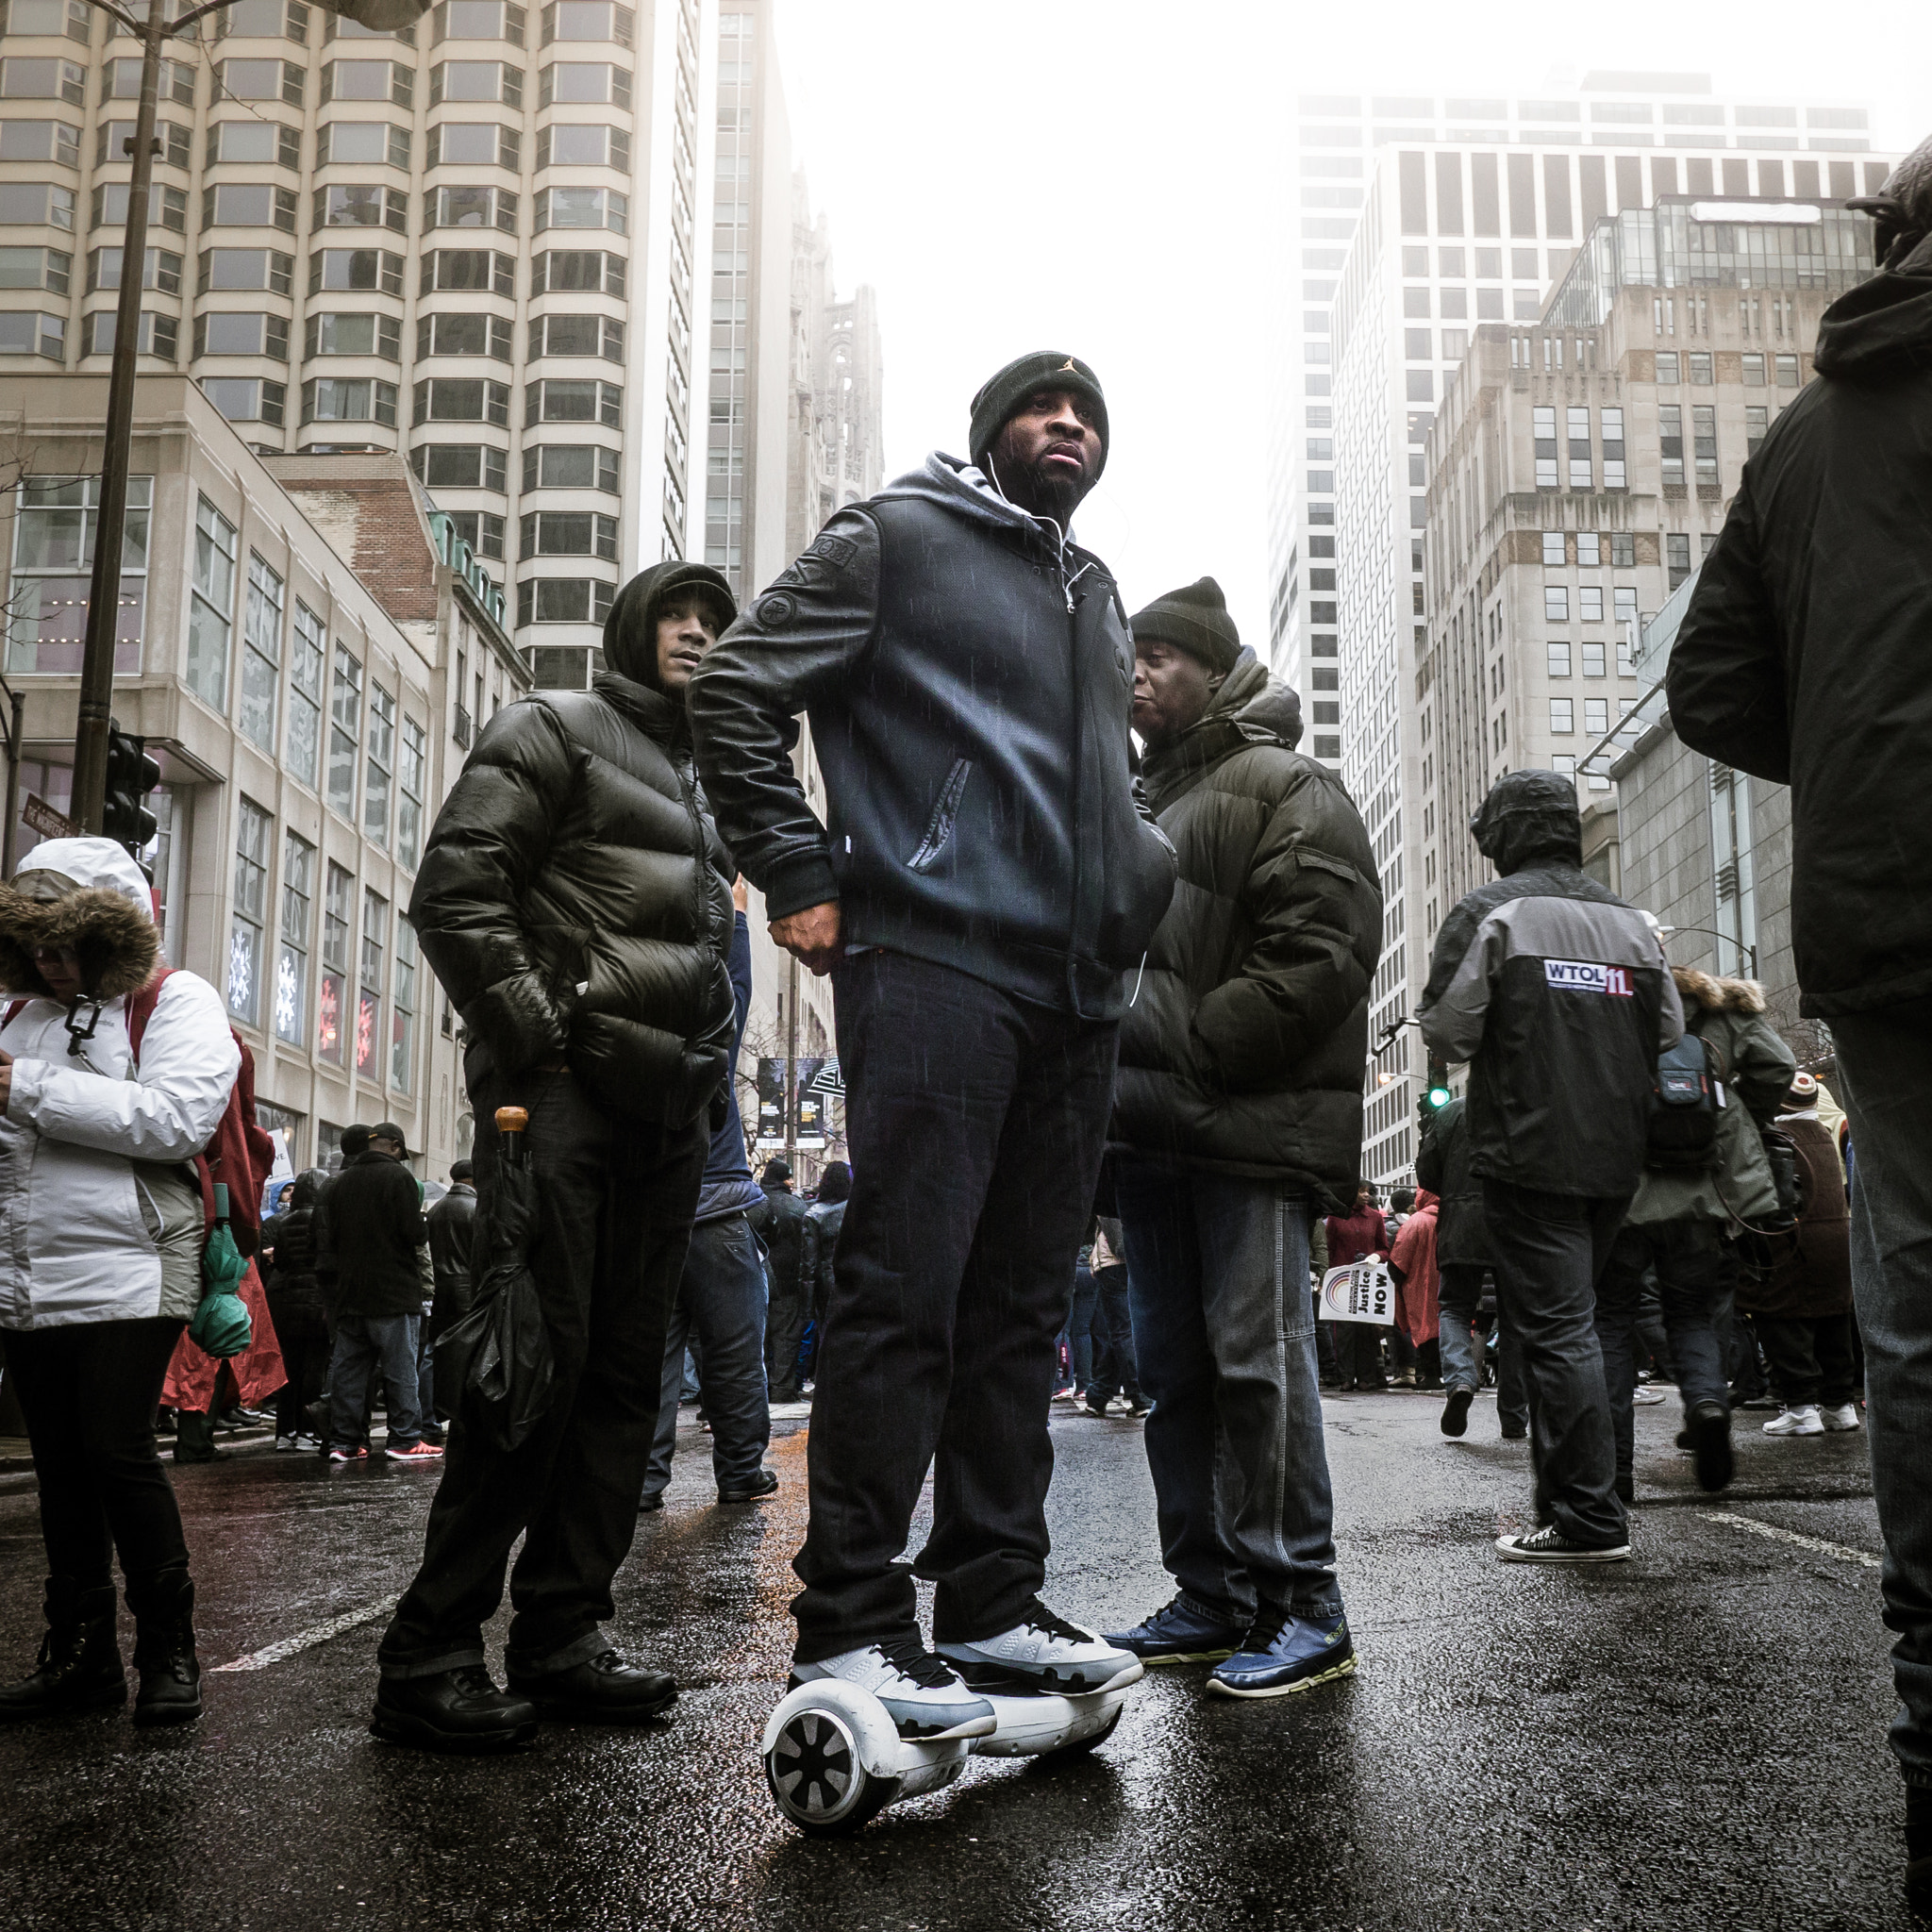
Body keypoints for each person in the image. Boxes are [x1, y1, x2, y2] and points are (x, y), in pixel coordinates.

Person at [690, 352, 1175, 1734]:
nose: (1068, 423)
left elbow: (1094, 783)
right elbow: (736, 693)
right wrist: (794, 865)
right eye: (1040, 405)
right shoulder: (895, 536)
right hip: (935, 955)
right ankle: (848, 1621)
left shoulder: (1091, 591)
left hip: (1077, 987)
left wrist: (1142, 878)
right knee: (906, 1291)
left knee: (1022, 1310)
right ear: (991, 435)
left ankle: (992, 1602)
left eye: (1089, 411)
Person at [1662, 142, 1932, 1904]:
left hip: (1891, 920)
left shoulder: (1792, 439)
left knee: (1915, 1320)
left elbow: (1706, 688)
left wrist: (1850, 761)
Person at [375, 558, 739, 1752]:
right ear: (633, 629)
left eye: (712, 624)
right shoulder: (554, 726)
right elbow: (457, 890)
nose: (694, 634)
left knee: (627, 1381)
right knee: (529, 1367)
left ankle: (563, 1631)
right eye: (675, 616)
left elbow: (706, 951)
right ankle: (429, 1650)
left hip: (667, 1115)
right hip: (563, 1102)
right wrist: (544, 1031)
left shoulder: (706, 780)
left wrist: (709, 1056)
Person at [1103, 578, 1379, 1696]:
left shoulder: (1285, 781)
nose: (1137, 671)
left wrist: (1200, 1049)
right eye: (1129, 654)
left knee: (1258, 1363)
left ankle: (1303, 1600)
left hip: (1247, 1130)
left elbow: (1319, 951)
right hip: (1151, 1138)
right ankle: (1210, 1594)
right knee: (1174, 1372)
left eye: (1161, 654)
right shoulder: (1131, 801)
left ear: (1214, 670)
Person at [0, 837, 240, 1726]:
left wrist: (23, 1087)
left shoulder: (176, 1000)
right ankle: (78, 1656)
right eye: (41, 950)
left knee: (116, 1452)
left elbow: (176, 1120)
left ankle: (168, 1652)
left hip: (131, 1263)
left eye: (72, 947)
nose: (55, 968)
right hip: (23, 1273)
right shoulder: (14, 1014)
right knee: (61, 1469)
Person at [1420, 770, 1682, 1565]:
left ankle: (1587, 1520)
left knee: (1557, 1332)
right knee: (1582, 1329)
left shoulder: (1490, 912)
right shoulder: (1633, 923)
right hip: (1615, 1156)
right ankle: (1573, 1503)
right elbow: (1669, 1030)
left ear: (1500, 836)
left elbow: (1450, 1032)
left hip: (1530, 1152)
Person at [1593, 965, 1794, 1500]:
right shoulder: (1725, 1012)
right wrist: (1735, 1115)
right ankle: (1707, 1403)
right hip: (1706, 1194)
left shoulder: (1616, 1009)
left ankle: (1616, 1474)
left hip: (1626, 1194)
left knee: (1611, 1321)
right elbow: (1779, 1064)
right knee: (1693, 1314)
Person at [641, 877, 776, 1511]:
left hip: (657, 1216)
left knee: (653, 1359)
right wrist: (739, 920)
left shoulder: (632, 1046)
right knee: (735, 1354)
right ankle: (741, 1471)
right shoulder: (708, 1042)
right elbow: (740, 992)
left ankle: (642, 1481)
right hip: (720, 1210)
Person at [1744, 1072, 1859, 1439]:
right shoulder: (1825, 1135)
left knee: (1782, 1319)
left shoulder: (1776, 1138)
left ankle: (1800, 1408)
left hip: (1793, 1242)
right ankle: (1840, 1405)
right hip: (1837, 1238)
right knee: (1833, 1320)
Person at [322, 1123, 437, 1467]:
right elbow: (414, 1234)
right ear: (397, 1148)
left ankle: (345, 1442)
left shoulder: (341, 1183)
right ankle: (404, 1438)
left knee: (350, 1373)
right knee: (401, 1370)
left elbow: (333, 1238)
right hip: (393, 1291)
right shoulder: (399, 1179)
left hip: (351, 1293)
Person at [1417, 1097, 1526, 1441]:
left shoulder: (1452, 1111)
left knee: (1454, 1309)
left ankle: (1461, 1380)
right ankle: (1513, 1417)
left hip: (1461, 1225)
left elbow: (1427, 1171)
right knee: (1516, 1321)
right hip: (1514, 1224)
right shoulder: (1526, 1100)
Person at [262, 1171, 328, 1451]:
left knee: (289, 1368)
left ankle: (284, 1431)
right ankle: (308, 1430)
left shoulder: (282, 1221)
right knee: (315, 1367)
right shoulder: (325, 1220)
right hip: (317, 1302)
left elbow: (281, 1262)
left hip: (286, 1303)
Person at [746, 1157, 812, 1405]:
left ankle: (756, 1391)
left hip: (754, 1280)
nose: (793, 1181)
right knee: (786, 1337)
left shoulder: (751, 1204)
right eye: (790, 1177)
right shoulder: (797, 1207)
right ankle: (782, 1389)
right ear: (783, 1179)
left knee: (757, 1339)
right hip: (787, 1283)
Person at [424, 1158, 478, 1427]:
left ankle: (428, 1415)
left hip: (438, 1287)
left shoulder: (435, 1210)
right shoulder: (476, 1209)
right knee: (466, 1350)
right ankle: (460, 1410)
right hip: (467, 1288)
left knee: (432, 1351)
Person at [1324, 1184, 1391, 1392]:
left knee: (1366, 1329)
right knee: (1343, 1330)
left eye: (1369, 1192)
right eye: (1361, 1190)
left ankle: (1366, 1377)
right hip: (1342, 1280)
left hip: (1367, 1280)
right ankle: (1345, 1377)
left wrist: (1376, 1256)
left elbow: (1385, 1249)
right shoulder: (1336, 1217)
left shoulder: (1376, 1217)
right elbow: (1329, 1248)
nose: (1366, 1195)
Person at [1081, 1216, 1145, 1418]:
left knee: (1120, 1333)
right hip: (1126, 1263)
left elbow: (1117, 1240)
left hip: (1113, 1264)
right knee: (1122, 1332)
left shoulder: (1111, 1191)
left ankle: (1134, 1395)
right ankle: (1103, 1394)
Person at [800, 1160, 848, 1391]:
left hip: (826, 1280)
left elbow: (809, 1263)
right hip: (854, 1275)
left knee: (827, 1331)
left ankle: (829, 1381)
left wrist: (807, 1303)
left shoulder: (815, 1215)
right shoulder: (856, 1208)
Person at [1389, 1191, 1441, 1392]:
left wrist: (1398, 1279)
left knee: (1425, 1327)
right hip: (1449, 1283)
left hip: (1420, 1285)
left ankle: (1431, 1375)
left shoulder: (1416, 1222)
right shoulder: (1449, 1216)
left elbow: (1399, 1259)